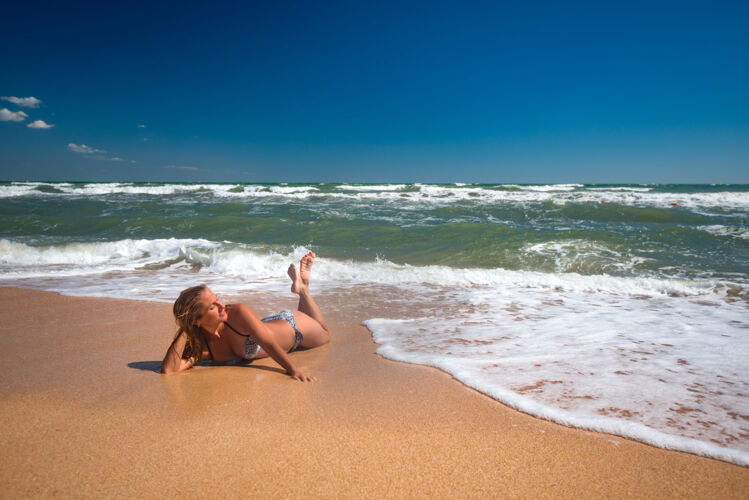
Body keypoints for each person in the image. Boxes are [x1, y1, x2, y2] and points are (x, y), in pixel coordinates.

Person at [161, 252, 330, 382]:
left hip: (294, 327)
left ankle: (303, 290)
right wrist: (185, 328)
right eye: (213, 306)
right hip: (271, 327)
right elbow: (169, 370)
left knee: (325, 335)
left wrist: (293, 370)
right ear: (196, 321)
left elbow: (269, 344)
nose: (221, 305)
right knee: (319, 328)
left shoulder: (237, 313)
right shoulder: (203, 348)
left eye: (217, 299)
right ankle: (302, 288)